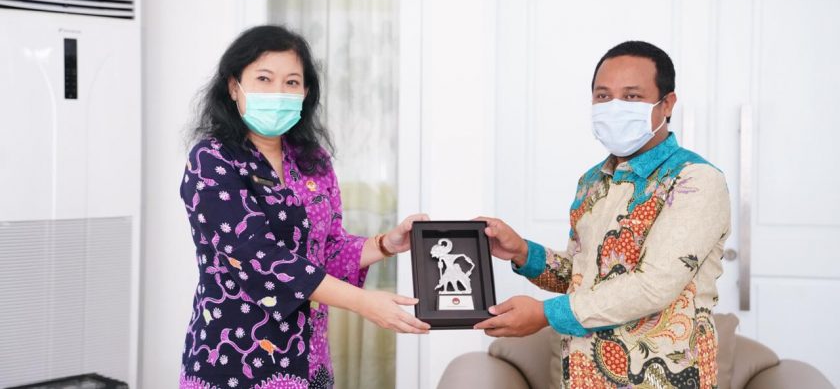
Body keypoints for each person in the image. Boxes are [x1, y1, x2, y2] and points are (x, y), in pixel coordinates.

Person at [179, 25, 430, 389]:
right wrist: (364, 303)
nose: (278, 92)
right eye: (264, 79)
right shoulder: (213, 160)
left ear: (306, 92)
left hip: (309, 357)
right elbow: (258, 257)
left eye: (292, 82)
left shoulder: (313, 161)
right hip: (234, 356)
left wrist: (385, 244)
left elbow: (325, 250)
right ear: (234, 86)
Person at [475, 41, 731, 388]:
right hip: (583, 377)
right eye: (603, 96)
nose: (615, 108)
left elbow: (653, 286)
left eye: (631, 97)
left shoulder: (694, 180)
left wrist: (545, 314)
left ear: (667, 103)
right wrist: (522, 252)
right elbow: (582, 279)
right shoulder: (592, 182)